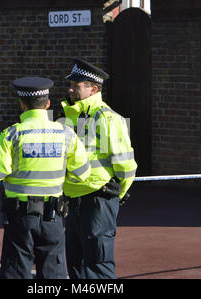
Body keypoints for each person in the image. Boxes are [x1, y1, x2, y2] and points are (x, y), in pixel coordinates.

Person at [0, 76, 91, 279]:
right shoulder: (66, 135)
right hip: (53, 216)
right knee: (53, 274)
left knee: (16, 271)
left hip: (20, 218)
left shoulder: (12, 135)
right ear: (47, 103)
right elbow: (84, 173)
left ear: (22, 104)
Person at [60, 58, 137, 279]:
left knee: (97, 264)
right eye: (71, 84)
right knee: (75, 264)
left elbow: (125, 163)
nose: (70, 89)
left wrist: (118, 193)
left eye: (76, 85)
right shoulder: (70, 118)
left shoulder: (108, 118)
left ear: (93, 89)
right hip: (73, 201)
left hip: (98, 199)